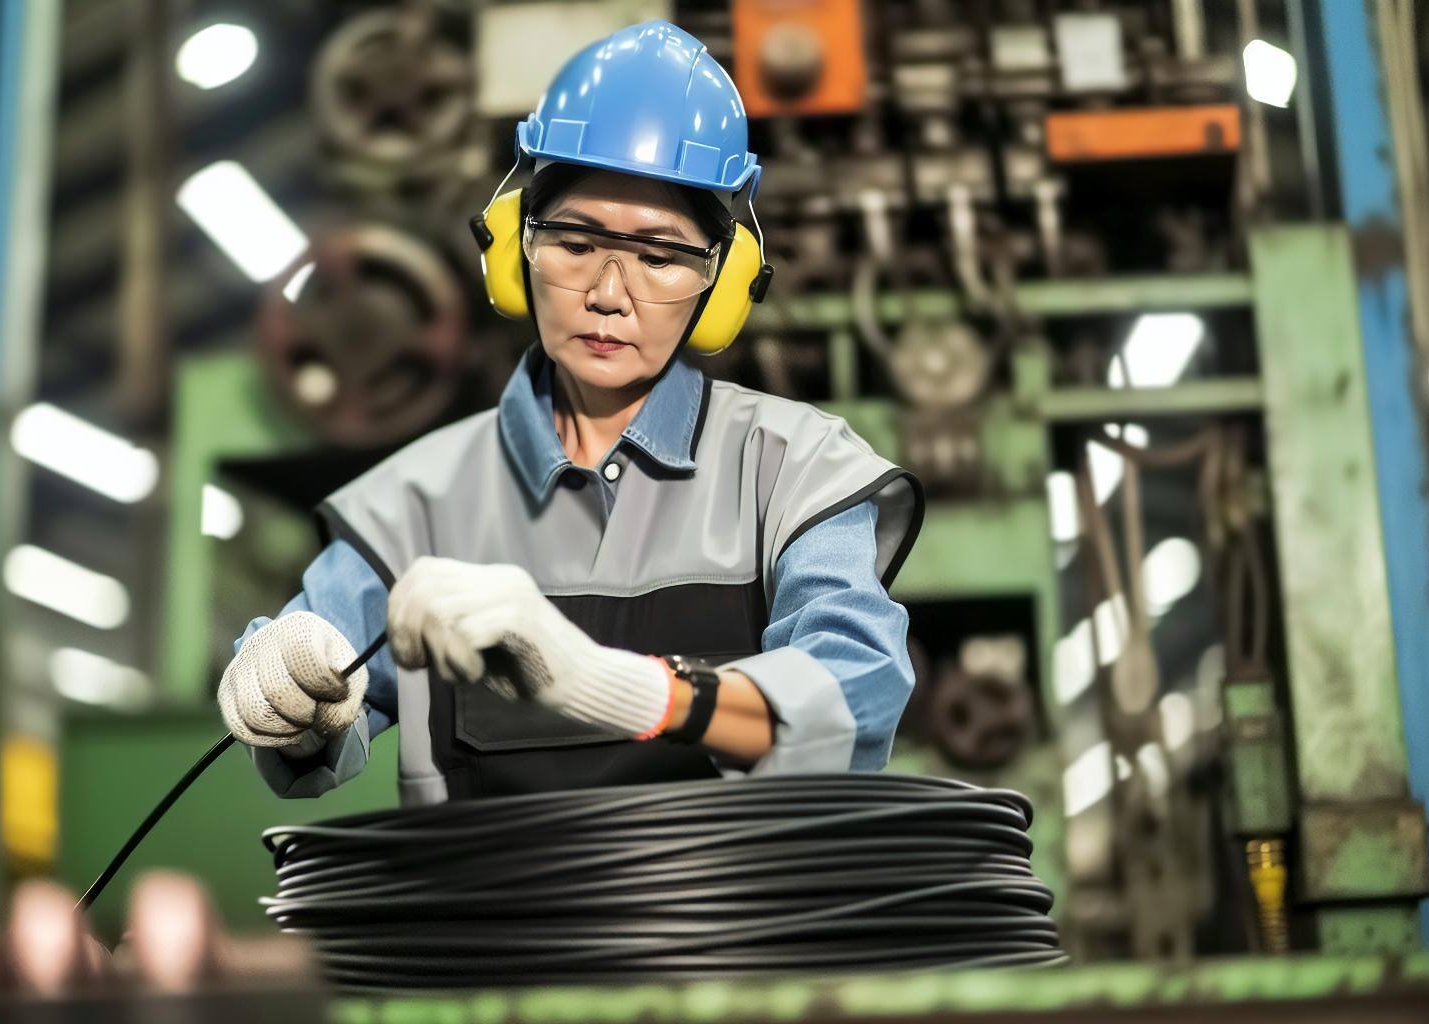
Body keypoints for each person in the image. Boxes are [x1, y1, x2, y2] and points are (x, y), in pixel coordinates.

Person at [216, 20, 924, 804]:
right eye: (576, 242)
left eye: (660, 256)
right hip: (483, 923)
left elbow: (853, 700)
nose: (608, 295)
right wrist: (286, 686)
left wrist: (623, 690)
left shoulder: (796, 472)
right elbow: (316, 718)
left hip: (734, 927)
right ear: (517, 247)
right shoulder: (410, 505)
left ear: (723, 283)